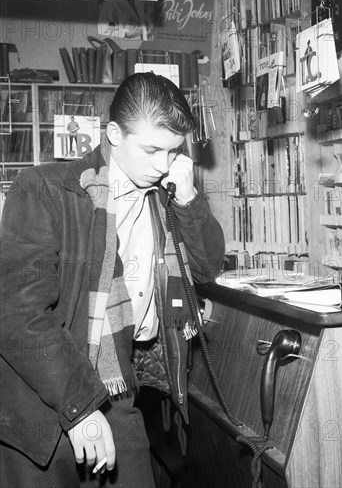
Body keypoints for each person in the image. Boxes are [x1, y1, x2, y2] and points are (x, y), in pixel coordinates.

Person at [0, 72, 225, 486]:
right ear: (114, 134)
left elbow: (209, 267)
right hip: (45, 402)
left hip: (118, 386)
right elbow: (17, 314)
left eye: (172, 152)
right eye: (151, 149)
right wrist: (79, 407)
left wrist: (190, 197)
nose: (162, 166)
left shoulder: (166, 196)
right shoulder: (45, 190)